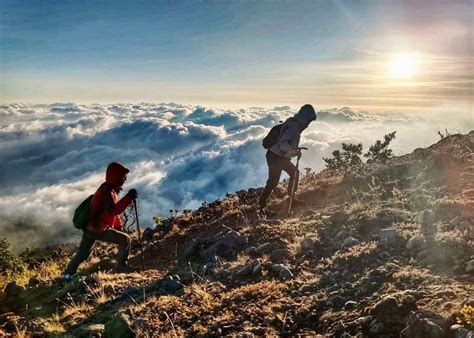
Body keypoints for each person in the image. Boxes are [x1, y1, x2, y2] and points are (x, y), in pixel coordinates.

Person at [63, 162, 138, 280]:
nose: (124, 180)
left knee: (83, 254)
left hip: (90, 227)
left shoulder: (108, 189)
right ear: (116, 177)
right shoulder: (107, 192)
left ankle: (67, 275)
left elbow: (112, 214)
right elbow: (113, 211)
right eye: (123, 177)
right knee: (126, 240)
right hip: (99, 228)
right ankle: (122, 267)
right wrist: (128, 198)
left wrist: (119, 227)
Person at [258, 104, 317, 215]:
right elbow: (283, 143)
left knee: (293, 173)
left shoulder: (293, 123)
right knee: (273, 181)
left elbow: (284, 142)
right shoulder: (294, 127)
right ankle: (261, 207)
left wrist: (294, 151)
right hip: (275, 157)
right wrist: (294, 152)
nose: (308, 124)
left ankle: (291, 198)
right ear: (304, 117)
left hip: (277, 156)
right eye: (308, 121)